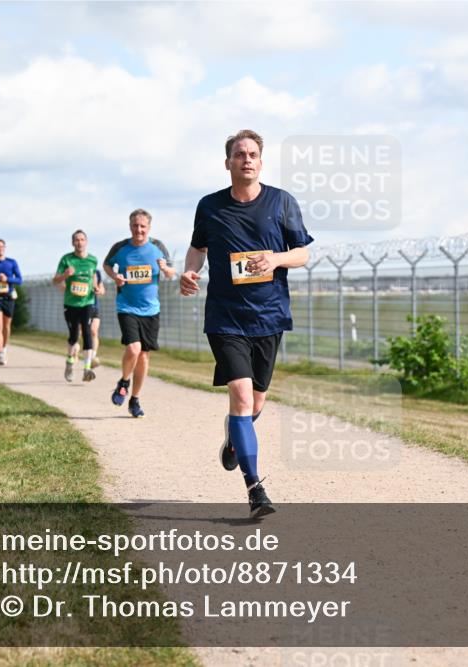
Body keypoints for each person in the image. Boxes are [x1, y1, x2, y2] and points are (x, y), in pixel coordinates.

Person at [180, 129, 313, 519]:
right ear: (228, 163)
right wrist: (189, 271)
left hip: (269, 316)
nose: (247, 160)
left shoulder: (281, 202)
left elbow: (302, 253)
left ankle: (234, 436)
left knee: (255, 403)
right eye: (240, 154)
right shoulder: (210, 206)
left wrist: (275, 259)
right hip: (225, 317)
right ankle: (255, 489)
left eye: (253, 154)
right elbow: (197, 248)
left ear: (261, 162)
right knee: (240, 396)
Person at [103, 209, 175, 417]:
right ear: (130, 226)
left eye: (143, 226)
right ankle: (124, 381)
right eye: (135, 225)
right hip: (126, 306)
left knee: (144, 356)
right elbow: (107, 265)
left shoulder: (158, 247)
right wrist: (115, 276)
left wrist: (165, 269)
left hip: (151, 309)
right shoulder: (120, 248)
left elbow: (171, 273)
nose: (139, 230)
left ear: (149, 228)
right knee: (134, 349)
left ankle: (134, 399)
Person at [54, 230, 100, 382]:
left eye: (82, 239)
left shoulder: (93, 260)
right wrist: (65, 275)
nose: (80, 242)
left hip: (87, 302)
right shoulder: (66, 259)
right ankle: (69, 362)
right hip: (71, 303)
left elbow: (93, 276)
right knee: (74, 336)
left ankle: (87, 369)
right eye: (77, 240)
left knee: (87, 332)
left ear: (86, 242)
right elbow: (55, 280)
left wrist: (96, 287)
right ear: (73, 243)